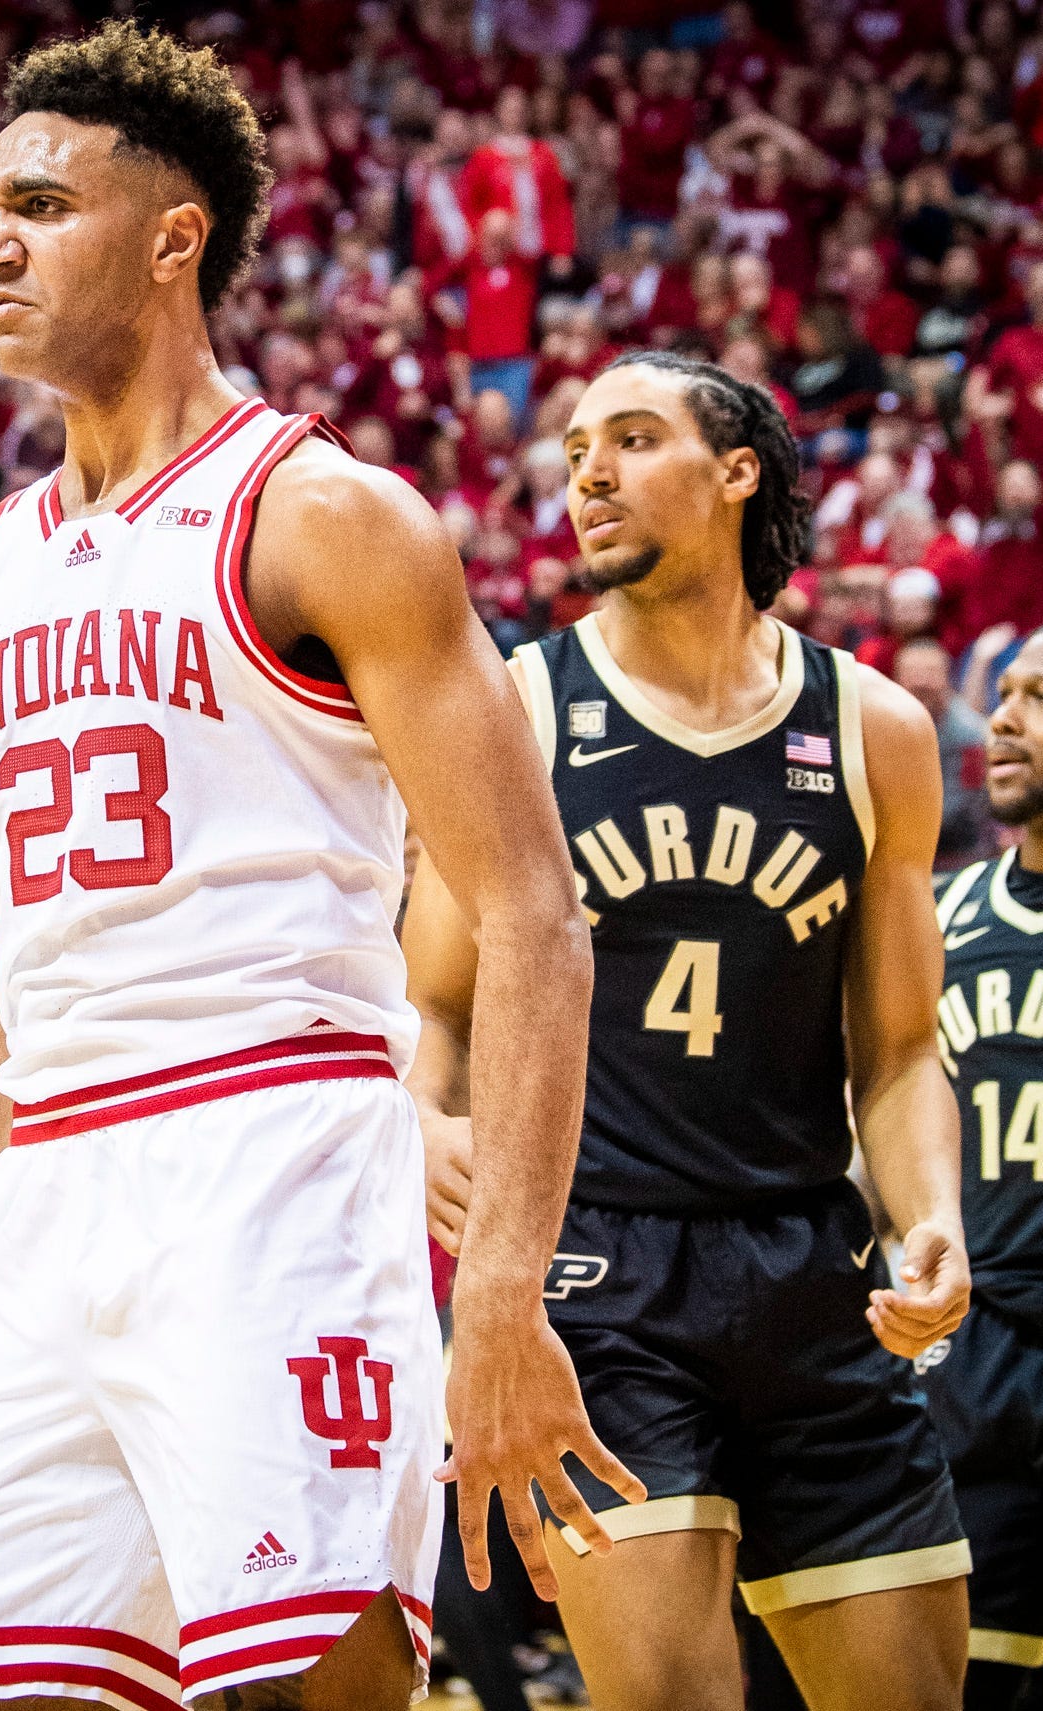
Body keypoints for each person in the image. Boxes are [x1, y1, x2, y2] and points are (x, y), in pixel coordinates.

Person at [0, 23, 638, 1711]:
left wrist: (499, 1285)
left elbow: (532, 917)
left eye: (42, 204)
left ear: (174, 238)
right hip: (46, 1210)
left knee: (309, 1694)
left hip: (271, 1157)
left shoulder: (327, 516)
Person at [403, 350, 972, 1711]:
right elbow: (433, 995)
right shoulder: (519, 707)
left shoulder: (872, 729)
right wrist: (418, 1115)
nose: (583, 468)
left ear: (734, 473)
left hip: (807, 1260)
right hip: (599, 1270)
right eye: (574, 445)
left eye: (630, 437)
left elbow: (895, 1047)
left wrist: (930, 1210)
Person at [928, 635, 1043, 1710]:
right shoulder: (941, 920)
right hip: (984, 1361)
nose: (1002, 720)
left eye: (1037, 699)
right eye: (1001, 695)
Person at [894, 636, 995, 868]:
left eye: (929, 672)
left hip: (960, 859)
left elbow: (962, 807)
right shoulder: (881, 728)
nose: (920, 682)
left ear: (948, 678)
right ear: (896, 680)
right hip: (902, 856)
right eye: (911, 673)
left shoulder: (971, 737)